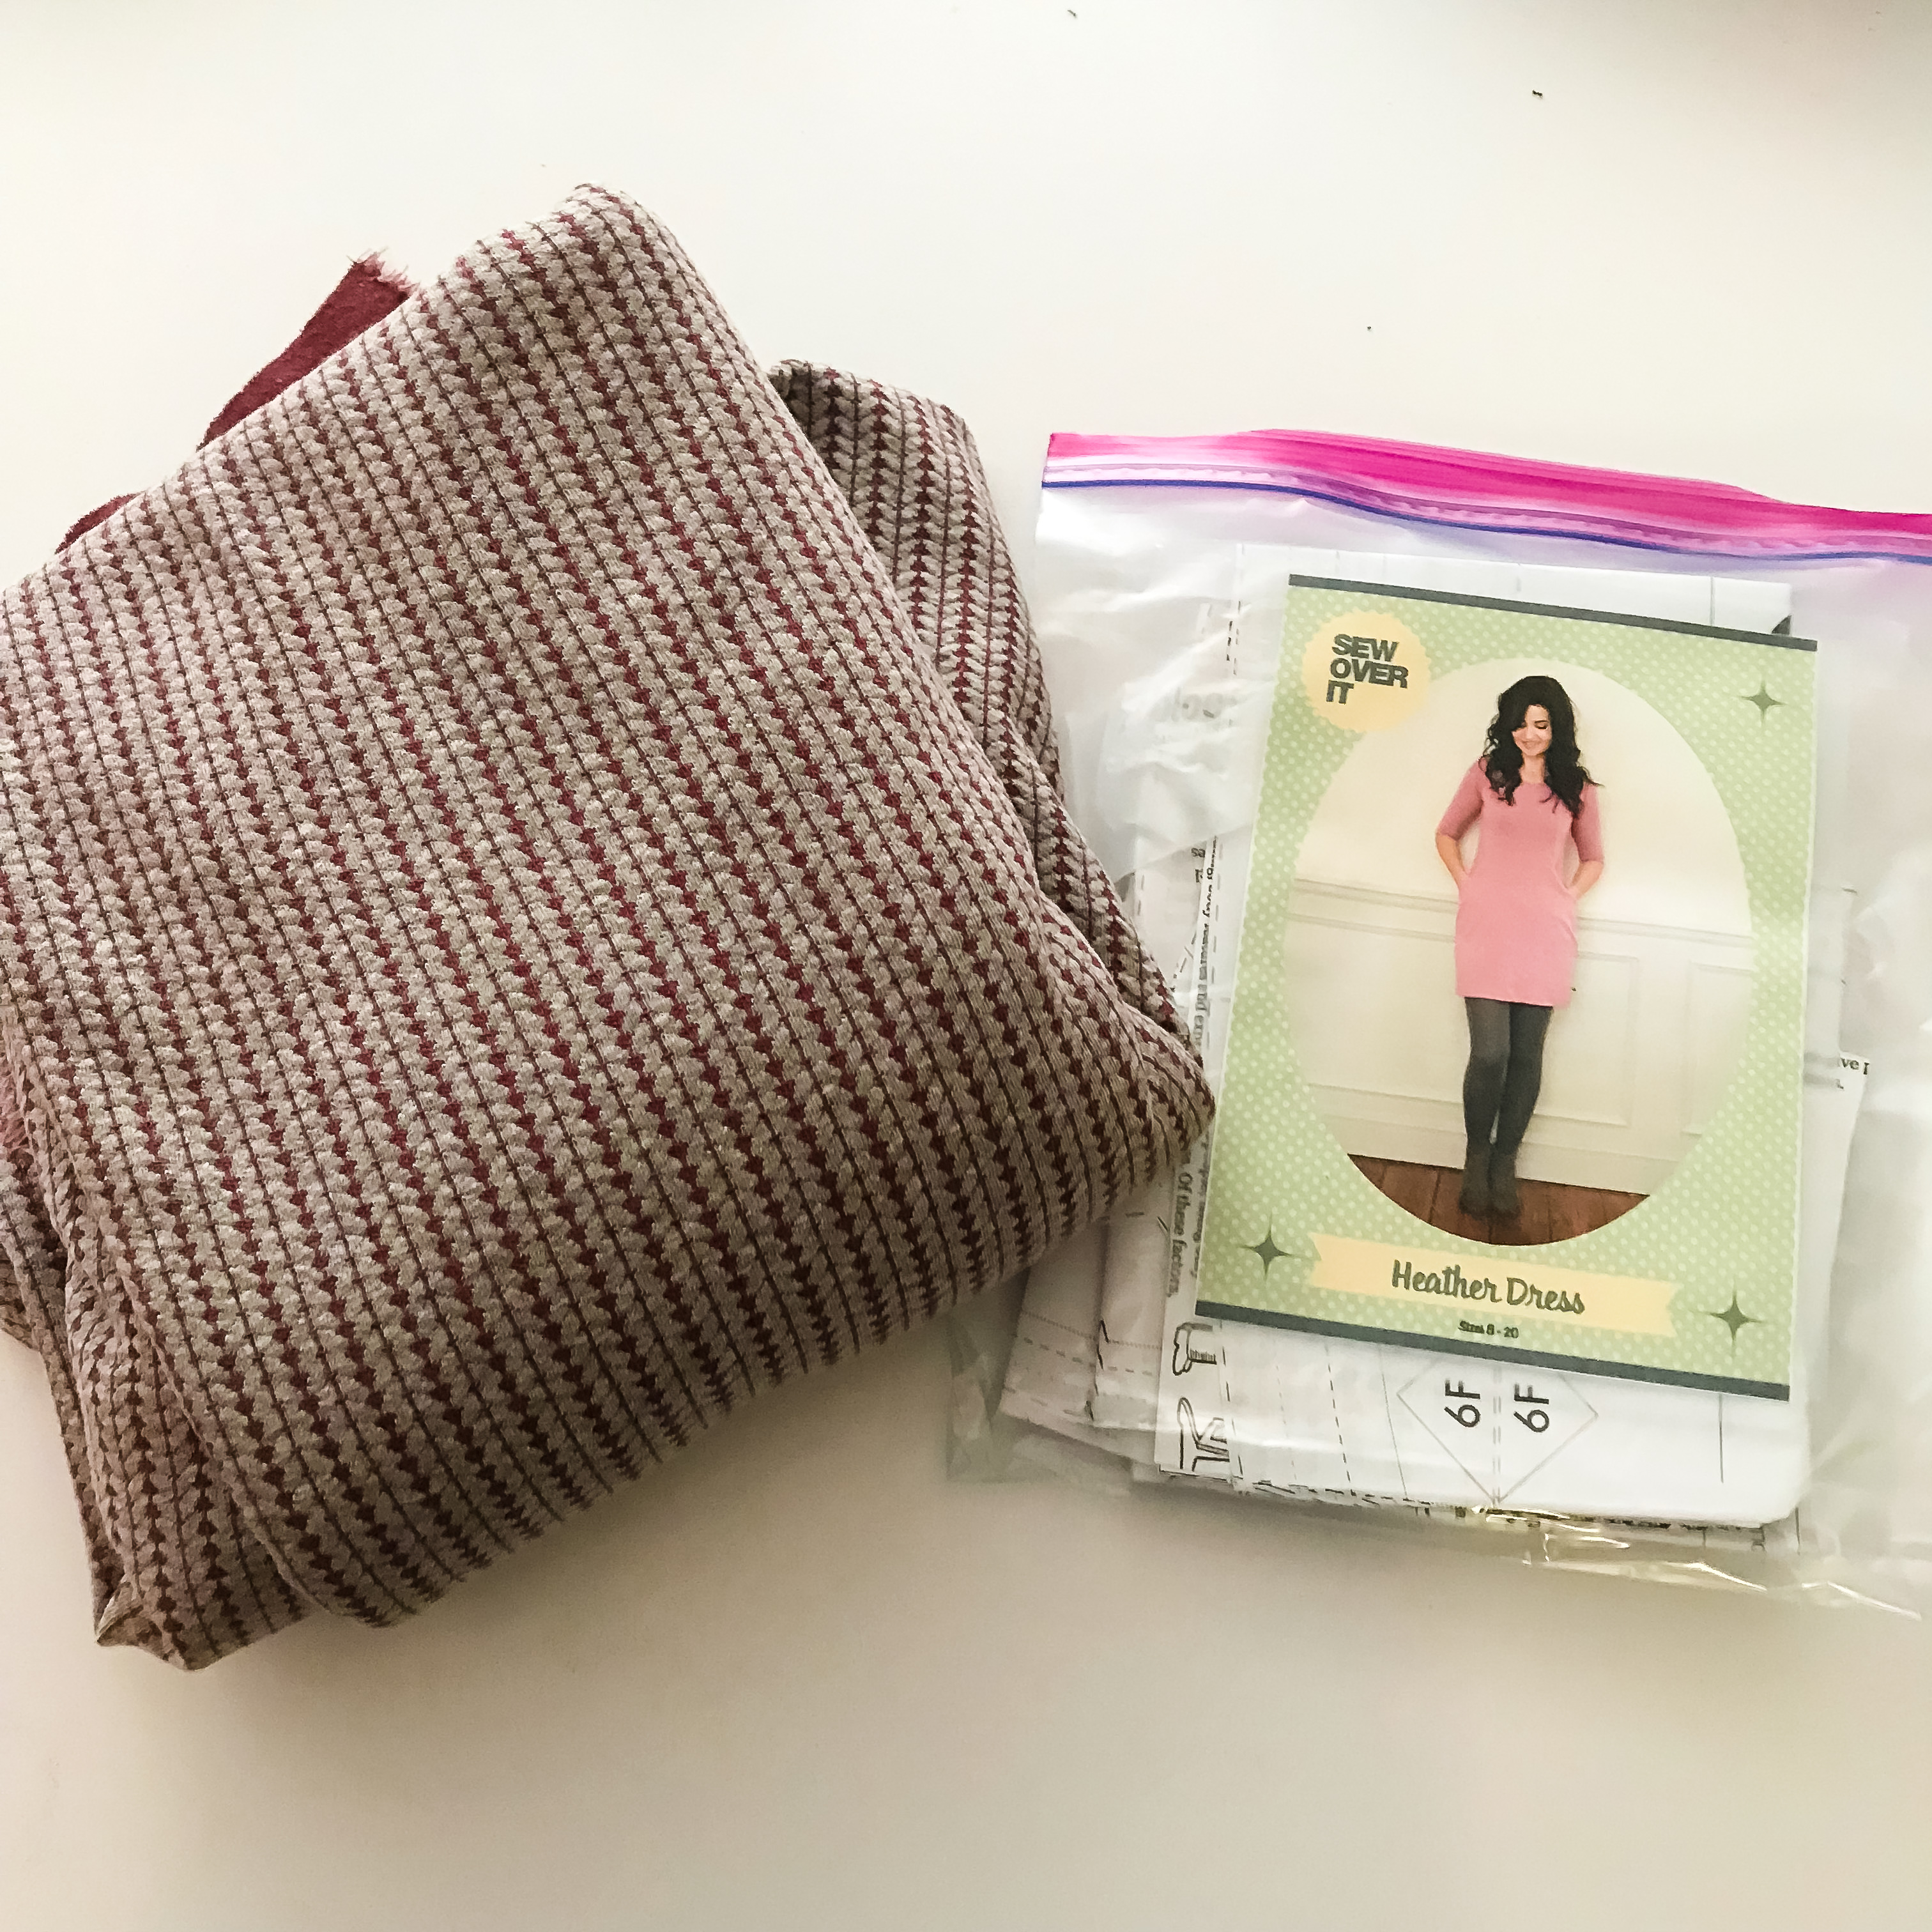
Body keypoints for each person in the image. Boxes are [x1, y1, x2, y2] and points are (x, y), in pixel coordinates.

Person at [1434, 675, 1603, 1216]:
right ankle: (1476, 1157)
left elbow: (1594, 858)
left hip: (1546, 932)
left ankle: (1505, 1163)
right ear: (1508, 725)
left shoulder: (1577, 788)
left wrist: (1566, 898)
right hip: (1487, 925)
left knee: (1527, 1056)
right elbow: (1446, 833)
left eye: (1541, 725)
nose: (1530, 734)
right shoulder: (1488, 773)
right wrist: (1468, 883)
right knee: (1491, 1054)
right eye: (1521, 723)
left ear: (1558, 728)